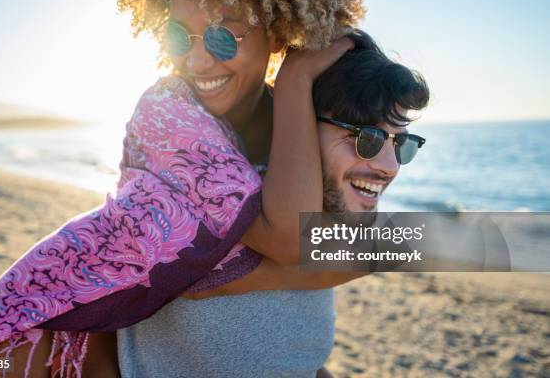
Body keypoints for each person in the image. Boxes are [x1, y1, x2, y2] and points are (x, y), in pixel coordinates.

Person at [0, 0, 365, 377]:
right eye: (177, 36)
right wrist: (296, 76)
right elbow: (295, 239)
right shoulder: (166, 113)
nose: (196, 61)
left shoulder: (315, 120)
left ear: (279, 32)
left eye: (222, 37)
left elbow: (398, 241)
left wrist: (237, 280)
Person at [115, 30, 430, 378]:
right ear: (299, 123)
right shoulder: (222, 182)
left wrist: (252, 277)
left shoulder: (334, 216)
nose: (389, 166)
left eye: (402, 144)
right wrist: (295, 80)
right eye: (366, 138)